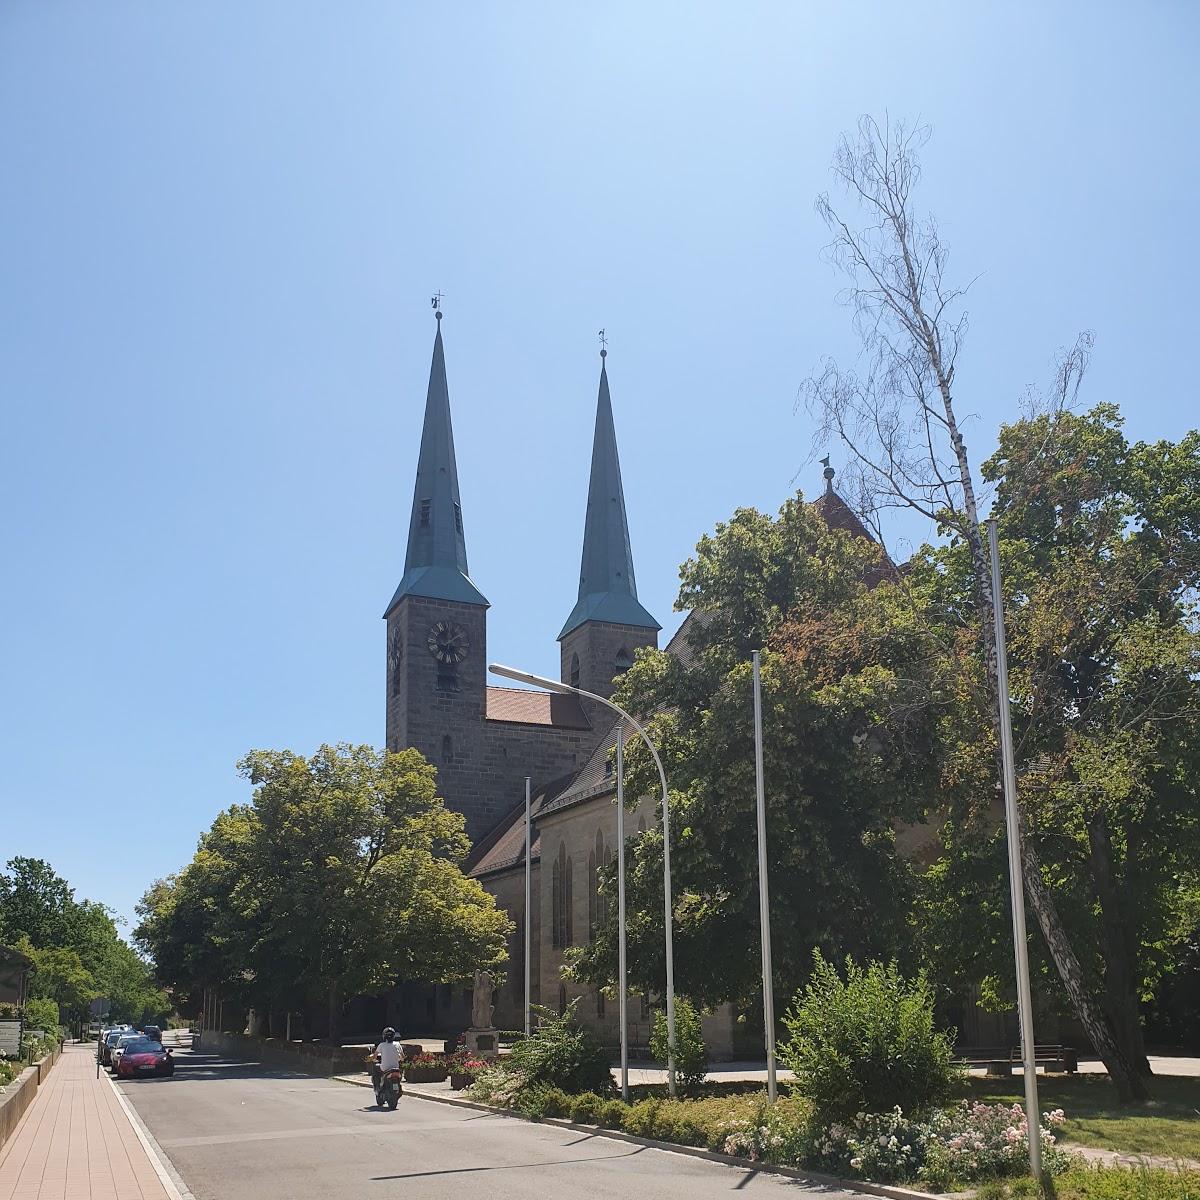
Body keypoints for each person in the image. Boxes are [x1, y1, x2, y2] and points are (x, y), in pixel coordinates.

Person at [370, 1027, 402, 1100]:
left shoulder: (381, 1045)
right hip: (396, 1067)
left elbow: (375, 1056)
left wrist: (373, 1059)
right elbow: (402, 1057)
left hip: (385, 1068)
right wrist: (399, 1058)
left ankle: (377, 1088)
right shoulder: (397, 1044)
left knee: (376, 1068)